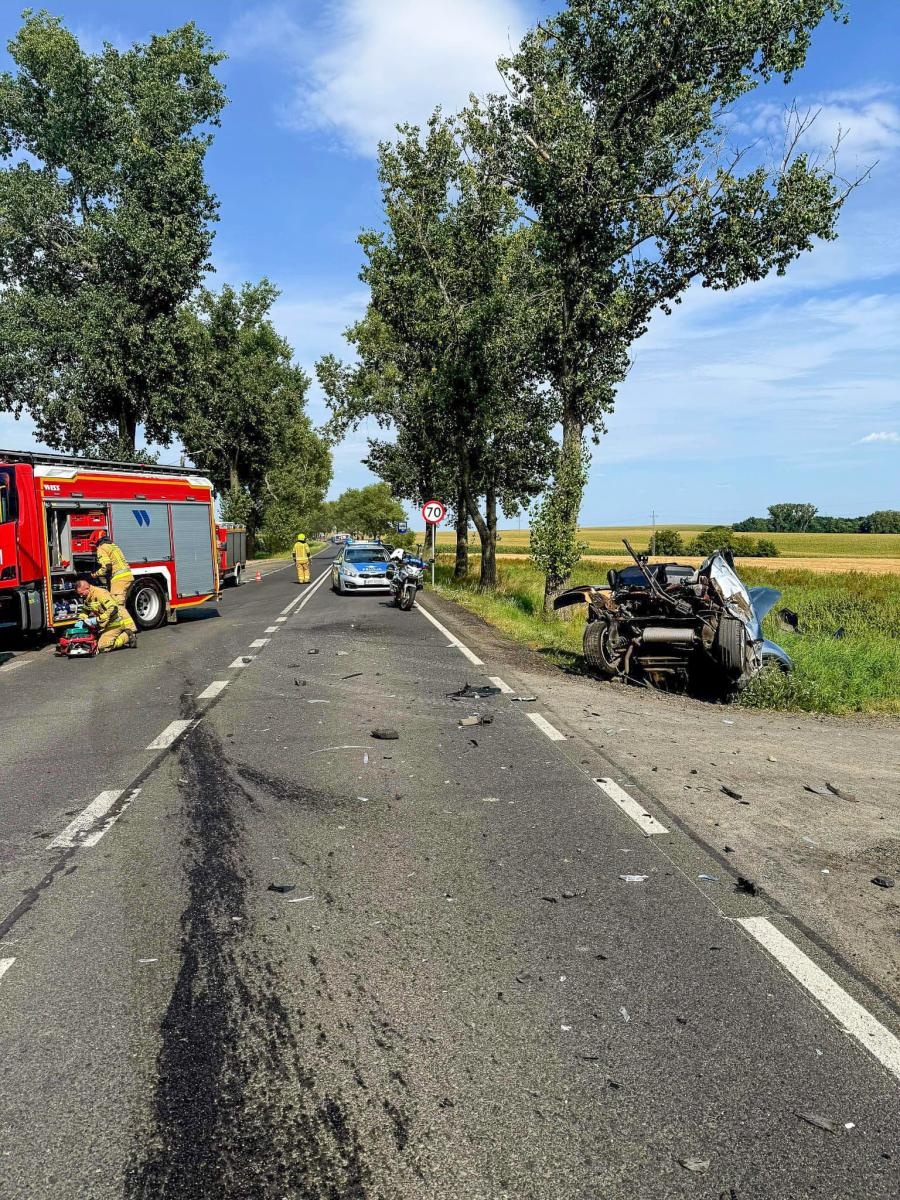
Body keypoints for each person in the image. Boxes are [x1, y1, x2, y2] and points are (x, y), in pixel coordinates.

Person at [74, 577, 137, 652]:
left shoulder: (100, 593)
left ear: (87, 588)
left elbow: (113, 609)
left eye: (81, 593)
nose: (81, 596)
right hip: (104, 625)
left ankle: (127, 636)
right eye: (79, 594)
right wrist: (81, 620)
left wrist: (97, 620)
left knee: (102, 646)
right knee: (93, 642)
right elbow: (85, 610)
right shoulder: (88, 597)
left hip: (114, 623)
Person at [90, 532, 134, 606]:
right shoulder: (113, 546)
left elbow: (107, 567)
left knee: (117, 607)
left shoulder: (101, 548)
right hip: (128, 576)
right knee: (122, 605)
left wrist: (95, 574)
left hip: (119, 579)